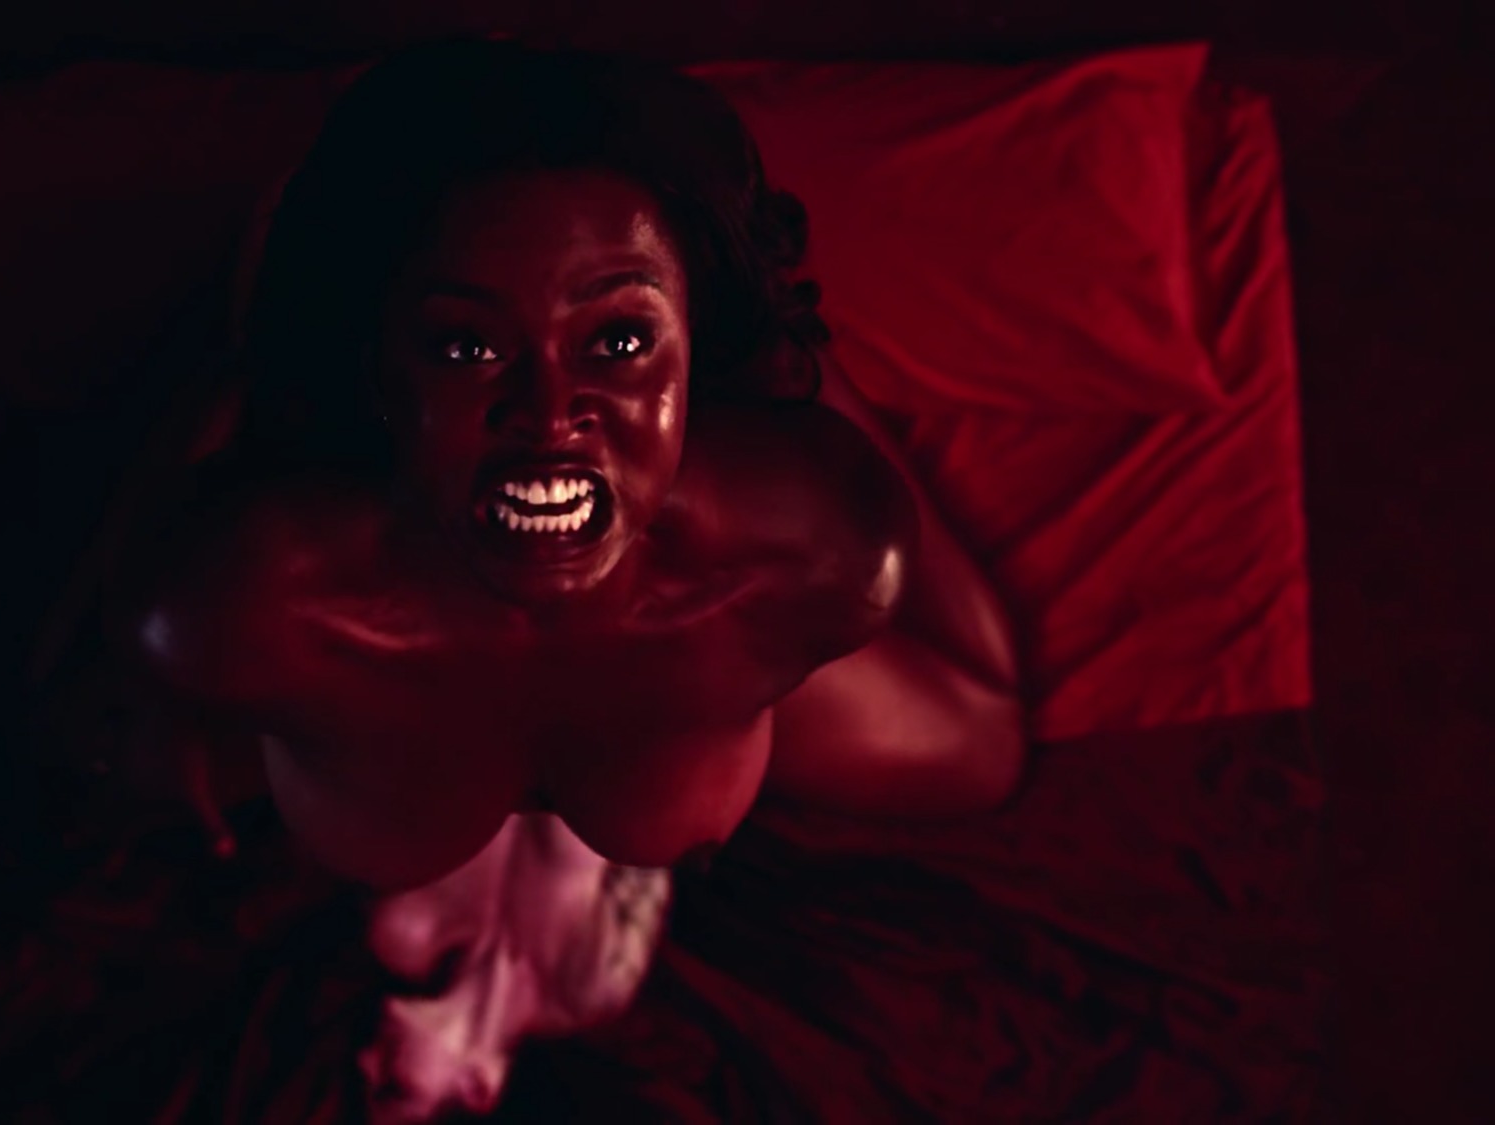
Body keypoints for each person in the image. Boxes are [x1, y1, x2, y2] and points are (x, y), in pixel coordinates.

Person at [91, 39, 1028, 1120]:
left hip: (689, 571)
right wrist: (241, 394)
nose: (547, 417)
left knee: (981, 748)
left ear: (697, 354)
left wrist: (796, 363)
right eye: (466, 348)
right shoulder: (250, 604)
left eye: (618, 339)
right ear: (379, 369)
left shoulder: (796, 549)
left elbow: (980, 730)